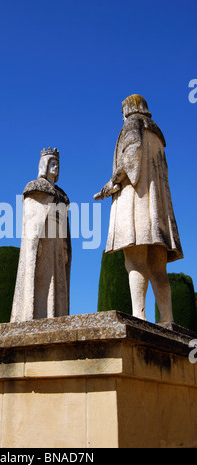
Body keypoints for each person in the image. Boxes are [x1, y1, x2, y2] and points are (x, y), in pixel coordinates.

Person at [94, 94, 183, 323]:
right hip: (158, 209)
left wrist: (110, 184)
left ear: (127, 109)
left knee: (134, 261)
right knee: (158, 267)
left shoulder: (133, 124)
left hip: (137, 203)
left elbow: (130, 159)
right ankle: (167, 318)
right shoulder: (156, 132)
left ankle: (139, 316)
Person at [11, 147, 72, 322]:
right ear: (44, 165)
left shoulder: (62, 195)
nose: (56, 167)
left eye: (57, 164)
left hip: (57, 244)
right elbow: (32, 219)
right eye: (52, 163)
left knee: (57, 284)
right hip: (43, 243)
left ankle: (57, 319)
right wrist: (34, 244)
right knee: (41, 283)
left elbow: (64, 227)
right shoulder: (35, 187)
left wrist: (65, 247)